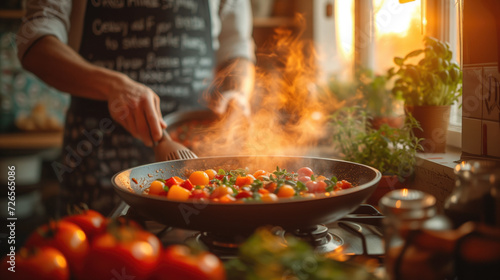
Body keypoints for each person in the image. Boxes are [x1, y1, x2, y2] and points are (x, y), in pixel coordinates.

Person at [16, 0, 256, 215]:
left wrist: (237, 93)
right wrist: (111, 86)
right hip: (94, 154)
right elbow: (35, 42)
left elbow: (237, 49)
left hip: (191, 155)